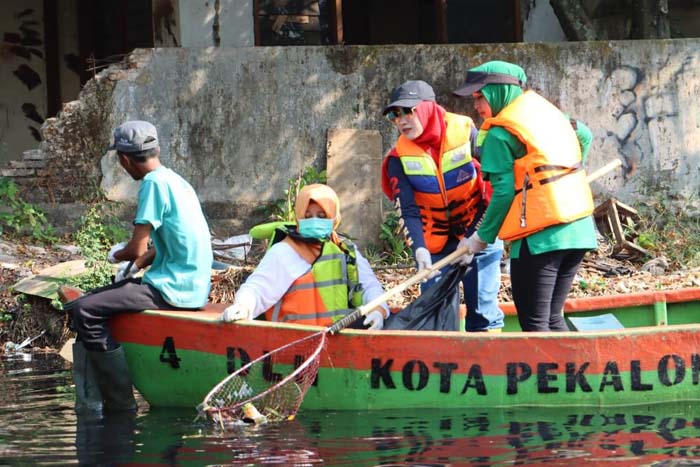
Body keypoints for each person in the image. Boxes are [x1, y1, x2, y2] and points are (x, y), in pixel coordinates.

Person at [68, 120, 213, 412]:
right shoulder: (175, 180)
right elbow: (169, 242)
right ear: (156, 149)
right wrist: (138, 266)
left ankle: (120, 403)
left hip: (172, 290)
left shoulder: (152, 184)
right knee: (104, 295)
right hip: (194, 287)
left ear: (123, 159)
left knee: (83, 309)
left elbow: (137, 247)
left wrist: (119, 255)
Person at [452, 60, 598, 332]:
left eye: (479, 97)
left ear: (498, 91)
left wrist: (480, 239)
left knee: (535, 324)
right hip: (579, 230)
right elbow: (585, 134)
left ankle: (551, 375)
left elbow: (504, 193)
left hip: (540, 239)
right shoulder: (548, 115)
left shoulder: (499, 133)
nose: (476, 106)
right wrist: (569, 177)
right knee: (552, 319)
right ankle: (572, 373)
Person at [380, 80, 504, 332]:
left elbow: (494, 191)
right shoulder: (397, 157)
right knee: (435, 315)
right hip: (433, 242)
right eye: (394, 114)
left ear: (427, 107)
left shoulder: (468, 133)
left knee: (483, 312)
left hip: (478, 230)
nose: (401, 120)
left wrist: (474, 238)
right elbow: (408, 209)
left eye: (408, 111)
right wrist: (420, 250)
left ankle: (485, 362)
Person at [220, 184, 389, 329]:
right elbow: (258, 288)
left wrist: (378, 310)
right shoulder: (285, 251)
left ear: (334, 218)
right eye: (308, 216)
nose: (315, 221)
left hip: (338, 337)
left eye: (322, 216)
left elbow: (370, 286)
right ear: (299, 217)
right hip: (293, 338)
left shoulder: (345, 250)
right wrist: (244, 306)